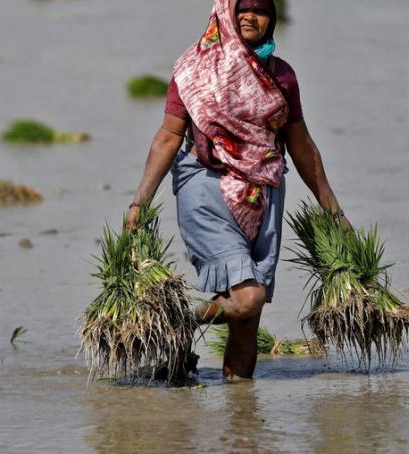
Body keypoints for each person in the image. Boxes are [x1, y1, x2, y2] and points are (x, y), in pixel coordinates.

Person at [126, 0, 347, 380]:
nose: (250, 16)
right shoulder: (194, 69)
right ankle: (179, 320)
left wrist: (333, 209)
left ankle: (241, 421)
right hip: (205, 188)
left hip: (263, 194)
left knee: (248, 321)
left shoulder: (282, 77)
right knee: (249, 298)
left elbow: (301, 145)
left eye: (261, 9)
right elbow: (167, 137)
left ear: (273, 19)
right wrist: (138, 203)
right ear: (224, 11)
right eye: (242, 7)